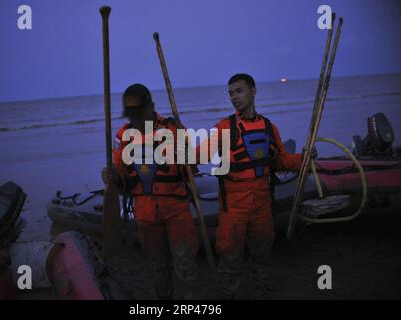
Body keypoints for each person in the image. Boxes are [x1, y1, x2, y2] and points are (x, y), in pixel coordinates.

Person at [197, 73, 310, 299]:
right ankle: (229, 295)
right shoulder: (223, 128)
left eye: (239, 91)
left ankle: (261, 290)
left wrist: (304, 159)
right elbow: (198, 155)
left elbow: (281, 161)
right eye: (231, 93)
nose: (234, 97)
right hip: (234, 206)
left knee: (263, 253)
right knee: (230, 255)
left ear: (253, 91)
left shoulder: (269, 127)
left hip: (262, 203)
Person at [102, 83, 199, 300]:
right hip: (145, 213)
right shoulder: (123, 136)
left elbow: (191, 169)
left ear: (151, 107)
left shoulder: (173, 129)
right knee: (157, 266)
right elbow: (120, 174)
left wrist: (188, 155)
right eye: (131, 114)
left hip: (176, 209)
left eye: (138, 113)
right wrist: (112, 176)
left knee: (185, 265)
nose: (134, 119)